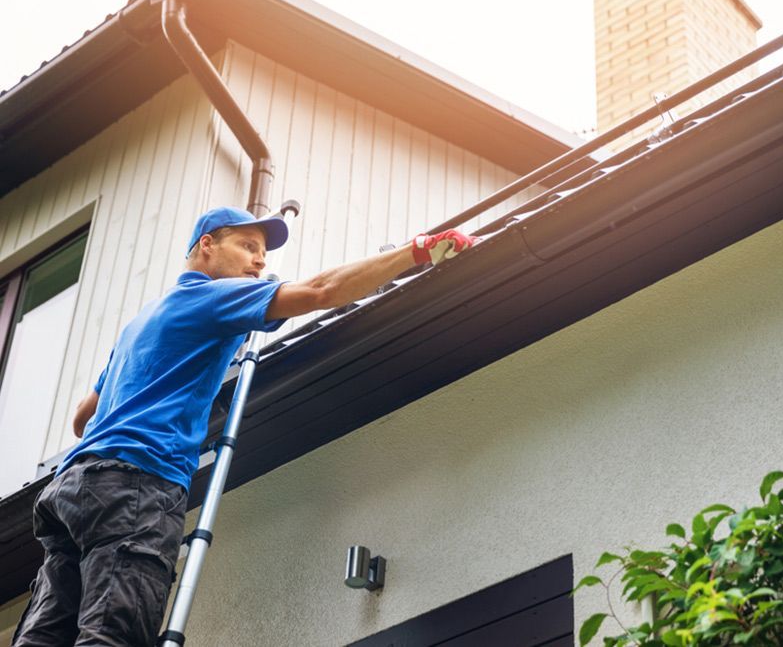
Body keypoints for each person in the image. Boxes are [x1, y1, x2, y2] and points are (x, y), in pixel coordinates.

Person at [12, 206, 477, 647]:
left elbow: (80, 419)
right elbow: (321, 290)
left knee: (44, 636)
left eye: (264, 254)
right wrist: (416, 250)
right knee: (113, 633)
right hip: (135, 485)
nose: (259, 261)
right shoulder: (212, 297)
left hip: (71, 491)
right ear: (207, 246)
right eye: (249, 246)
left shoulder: (141, 323)